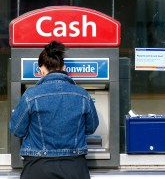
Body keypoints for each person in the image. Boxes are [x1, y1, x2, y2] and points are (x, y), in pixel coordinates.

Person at [9, 41, 99, 179]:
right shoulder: (83, 95)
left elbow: (16, 130)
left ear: (41, 70)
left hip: (38, 168)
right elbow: (91, 128)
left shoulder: (30, 95)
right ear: (64, 67)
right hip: (74, 168)